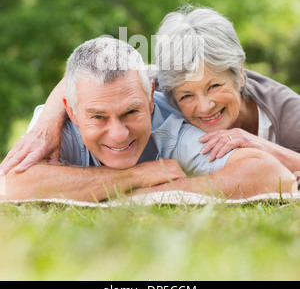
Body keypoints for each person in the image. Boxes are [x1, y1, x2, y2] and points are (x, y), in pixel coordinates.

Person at [0, 36, 295, 201]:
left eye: (131, 112)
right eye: (98, 117)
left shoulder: (169, 124)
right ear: (73, 111)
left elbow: (271, 176)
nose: (118, 134)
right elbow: (10, 186)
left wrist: (159, 191)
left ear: (151, 98)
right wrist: (133, 178)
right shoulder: (53, 129)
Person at [154, 5, 300, 177]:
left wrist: (259, 144)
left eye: (214, 86)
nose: (204, 107)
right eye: (187, 96)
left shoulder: (290, 113)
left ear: (240, 73)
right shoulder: (151, 94)